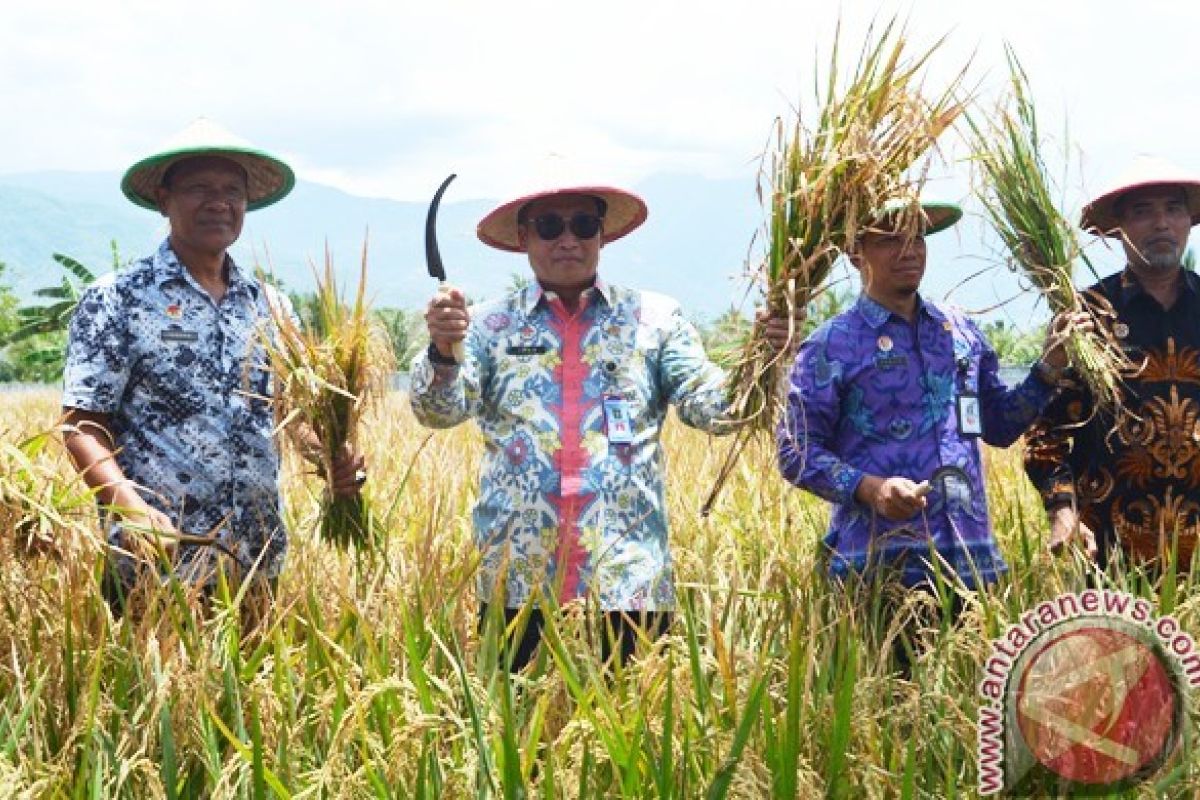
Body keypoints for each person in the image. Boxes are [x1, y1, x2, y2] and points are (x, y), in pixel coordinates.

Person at [411, 182, 798, 669]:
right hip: (518, 582)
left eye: (583, 225)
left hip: (628, 584)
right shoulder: (487, 327)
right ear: (525, 236)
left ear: (601, 236)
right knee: (519, 735)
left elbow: (715, 408)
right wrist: (443, 351)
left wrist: (764, 357)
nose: (567, 239)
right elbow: (439, 411)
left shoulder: (654, 320)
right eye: (550, 226)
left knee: (631, 735)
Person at [61, 118, 364, 607]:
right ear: (164, 199)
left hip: (256, 558)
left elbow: (283, 410)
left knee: (254, 684)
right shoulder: (118, 298)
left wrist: (328, 455)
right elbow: (80, 425)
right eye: (199, 187)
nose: (219, 202)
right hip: (158, 560)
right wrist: (128, 507)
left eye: (232, 191)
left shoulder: (270, 306)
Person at [777, 198, 1078, 664]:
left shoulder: (961, 332)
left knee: (967, 714)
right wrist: (870, 489)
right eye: (890, 239)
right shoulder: (830, 346)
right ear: (856, 252)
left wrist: (1047, 370)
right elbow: (795, 451)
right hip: (879, 569)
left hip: (972, 565)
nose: (909, 250)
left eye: (916, 237)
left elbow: (998, 425)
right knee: (886, 722)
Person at [1025, 156, 1200, 571]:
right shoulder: (1087, 316)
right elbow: (1045, 435)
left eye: (1173, 209)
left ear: (1189, 221)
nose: (1161, 223)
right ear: (1118, 227)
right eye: (1143, 211)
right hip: (1110, 551)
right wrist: (1062, 511)